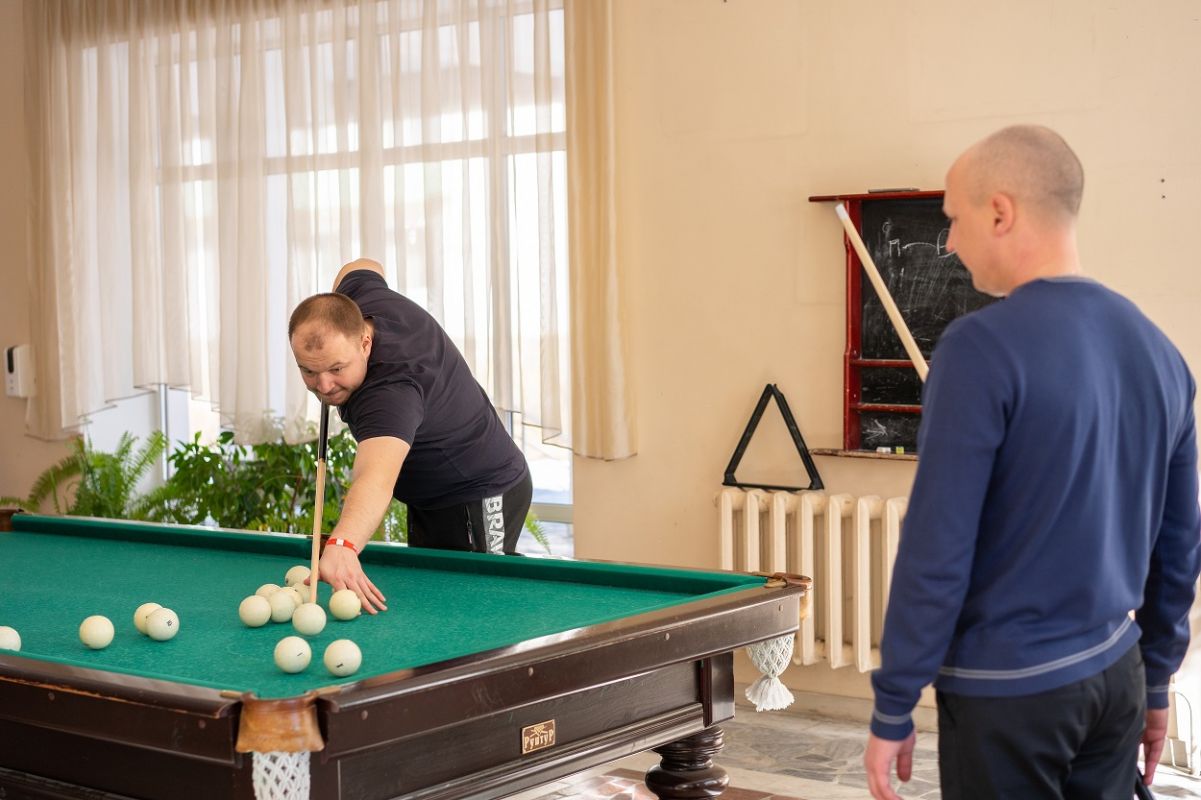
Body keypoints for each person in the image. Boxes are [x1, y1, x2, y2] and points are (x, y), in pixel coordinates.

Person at [864, 126, 1201, 800]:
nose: (949, 242)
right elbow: (1180, 541)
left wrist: (894, 701)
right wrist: (1156, 677)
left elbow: (937, 545)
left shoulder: (977, 348)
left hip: (1010, 694)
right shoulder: (1157, 349)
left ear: (1000, 211)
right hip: (1115, 673)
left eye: (953, 219)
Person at [288, 258, 533, 614]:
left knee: (481, 606)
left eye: (336, 368)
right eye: (309, 371)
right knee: (436, 602)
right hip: (429, 496)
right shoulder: (360, 299)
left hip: (481, 488)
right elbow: (362, 265)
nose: (323, 385)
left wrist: (343, 544)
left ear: (365, 343)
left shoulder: (390, 393)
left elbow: (375, 477)